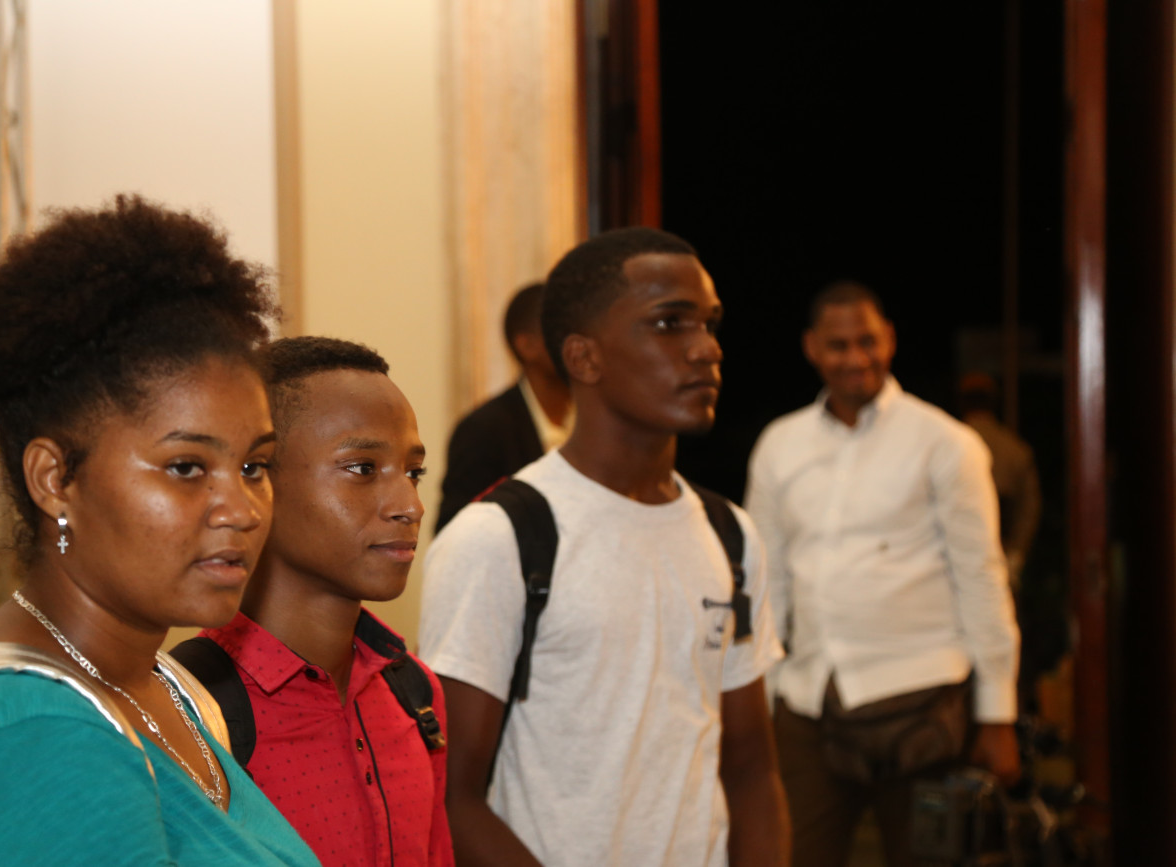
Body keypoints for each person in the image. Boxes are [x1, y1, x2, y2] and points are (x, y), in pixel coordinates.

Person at [0, 196, 319, 866]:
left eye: (254, 466)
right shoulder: (24, 736)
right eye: (186, 467)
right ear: (55, 478)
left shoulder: (169, 688)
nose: (243, 508)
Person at [420, 227, 790, 867]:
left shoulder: (729, 533)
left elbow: (752, 771)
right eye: (670, 323)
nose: (706, 349)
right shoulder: (499, 538)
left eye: (709, 324)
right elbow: (452, 798)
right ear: (584, 357)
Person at [744, 281, 1020, 867]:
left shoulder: (945, 442)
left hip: (924, 706)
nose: (856, 358)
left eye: (867, 341)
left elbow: (980, 576)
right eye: (838, 345)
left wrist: (998, 714)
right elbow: (766, 581)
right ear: (812, 348)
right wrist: (760, 701)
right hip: (809, 701)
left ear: (890, 339)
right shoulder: (779, 445)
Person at [174, 336, 454, 867]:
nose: (410, 505)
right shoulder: (188, 712)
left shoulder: (413, 692)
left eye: (413, 473)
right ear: (258, 482)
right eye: (362, 468)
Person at [434, 281, 573, 532]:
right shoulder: (484, 430)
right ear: (526, 345)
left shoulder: (598, 420)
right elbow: (454, 532)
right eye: (563, 331)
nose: (578, 343)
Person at [956, 372, 1041, 590]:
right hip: (1000, 550)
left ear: (962, 401)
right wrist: (1016, 554)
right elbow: (1029, 509)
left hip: (957, 551)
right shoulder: (1014, 448)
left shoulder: (949, 442)